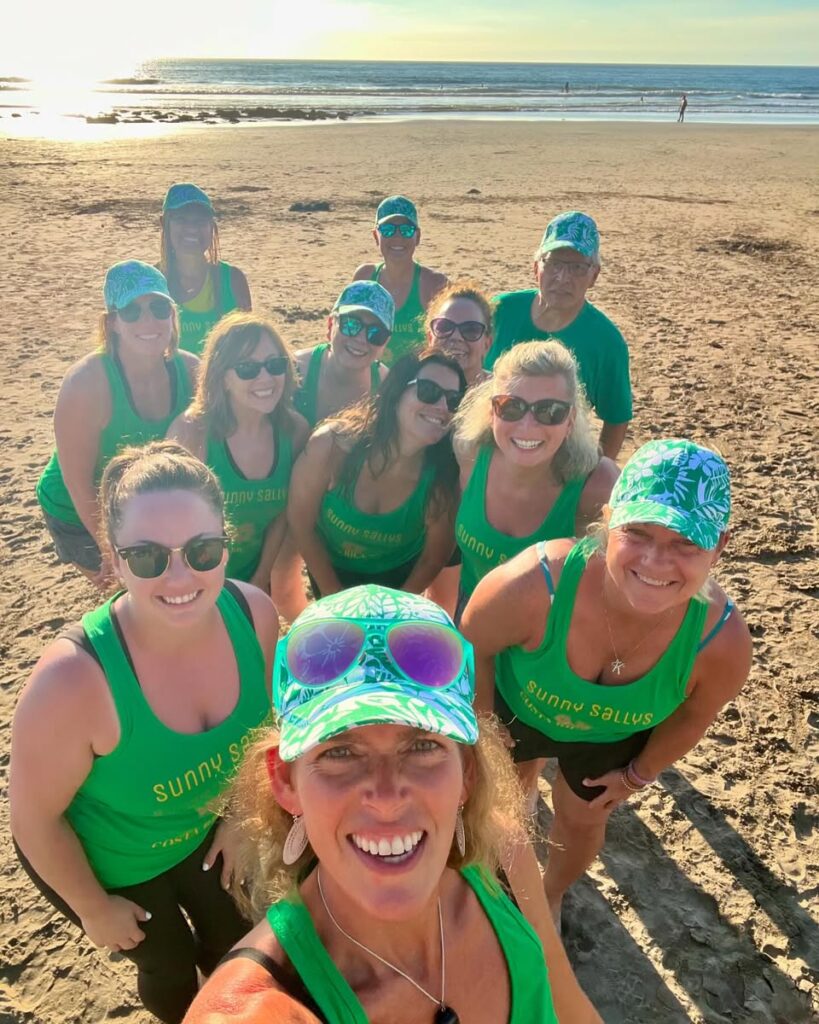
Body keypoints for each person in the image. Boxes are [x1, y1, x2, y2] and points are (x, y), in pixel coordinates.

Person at [181, 585, 602, 1024]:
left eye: (422, 746)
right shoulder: (260, 1007)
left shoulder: (502, 855)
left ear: (467, 772)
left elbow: (573, 1011)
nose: (386, 798)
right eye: (341, 752)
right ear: (286, 781)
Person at [11, 441, 280, 1024]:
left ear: (227, 544)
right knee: (168, 964)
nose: (180, 577)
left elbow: (265, 732)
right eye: (148, 556)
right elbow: (33, 822)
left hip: (201, 825)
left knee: (234, 943)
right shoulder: (74, 682)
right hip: (109, 861)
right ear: (114, 557)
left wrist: (240, 814)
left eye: (202, 550)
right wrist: (92, 906)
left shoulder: (254, 614)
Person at [461, 439, 752, 925]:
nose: (655, 562)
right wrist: (483, 727)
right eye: (637, 532)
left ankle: (550, 897)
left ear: (719, 546)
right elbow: (470, 646)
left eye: (685, 542)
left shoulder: (721, 644)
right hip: (516, 706)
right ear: (609, 518)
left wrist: (638, 774)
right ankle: (499, 875)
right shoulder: (536, 584)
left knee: (583, 819)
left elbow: (695, 716)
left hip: (609, 738)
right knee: (501, 803)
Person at [36, 260, 198, 585]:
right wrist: (110, 549)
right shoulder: (86, 383)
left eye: (158, 308)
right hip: (78, 511)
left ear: (172, 314)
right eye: (132, 312)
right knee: (127, 591)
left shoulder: (191, 371)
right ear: (112, 323)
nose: (148, 320)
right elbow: (78, 483)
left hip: (140, 499)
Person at [452, 341, 618, 619]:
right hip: (470, 615)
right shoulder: (469, 452)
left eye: (549, 411)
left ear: (570, 420)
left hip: (549, 633)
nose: (527, 426)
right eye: (510, 407)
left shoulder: (597, 484)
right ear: (491, 412)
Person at [288, 351, 466, 598]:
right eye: (428, 391)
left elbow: (434, 558)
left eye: (453, 399)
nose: (442, 407)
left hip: (400, 578)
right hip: (331, 569)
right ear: (397, 391)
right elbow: (300, 523)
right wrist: (333, 595)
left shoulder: (444, 475)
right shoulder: (332, 447)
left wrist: (398, 605)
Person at [167, 312, 310, 611]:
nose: (265, 378)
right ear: (222, 378)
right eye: (247, 368)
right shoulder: (192, 433)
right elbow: (168, 525)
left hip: (254, 576)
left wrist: (261, 576)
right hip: (191, 580)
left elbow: (281, 516)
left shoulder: (294, 431)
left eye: (275, 364)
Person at [485, 211, 633, 460]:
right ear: (536, 268)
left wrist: (596, 470)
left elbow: (616, 418)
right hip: (487, 452)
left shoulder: (607, 343)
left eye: (577, 268)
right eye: (554, 264)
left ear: (594, 276)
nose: (563, 278)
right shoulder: (498, 312)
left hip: (557, 462)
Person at [353, 195, 448, 366]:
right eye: (388, 229)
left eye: (406, 230)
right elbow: (348, 333)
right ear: (376, 236)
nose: (398, 237)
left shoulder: (434, 284)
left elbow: (447, 344)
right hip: (371, 376)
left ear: (417, 237)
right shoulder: (365, 278)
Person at [159, 182, 251, 355]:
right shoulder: (152, 282)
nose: (192, 228)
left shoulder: (232, 280)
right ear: (164, 223)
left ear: (211, 226)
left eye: (200, 221)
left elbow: (248, 347)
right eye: (181, 219)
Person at [294, 281, 392, 428]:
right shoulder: (294, 372)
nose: (361, 339)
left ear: (385, 344)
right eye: (351, 324)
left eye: (376, 333)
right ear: (330, 325)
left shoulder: (386, 388)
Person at [425, 280, 493, 388]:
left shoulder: (504, 393)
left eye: (471, 330)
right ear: (430, 338)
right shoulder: (410, 390)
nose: (456, 336)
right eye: (444, 327)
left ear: (487, 344)